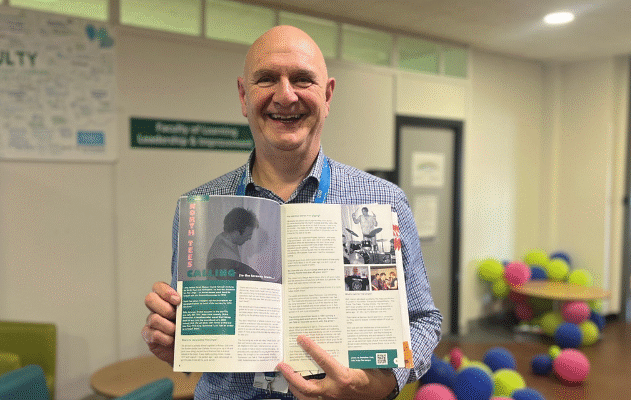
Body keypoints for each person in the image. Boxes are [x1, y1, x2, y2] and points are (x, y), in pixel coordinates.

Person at [143, 25, 442, 400]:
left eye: (302, 79)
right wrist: (174, 341)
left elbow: (423, 322)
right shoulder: (201, 209)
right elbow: (197, 343)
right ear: (243, 95)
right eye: (266, 79)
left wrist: (377, 384)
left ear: (328, 94)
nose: (285, 96)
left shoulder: (384, 202)